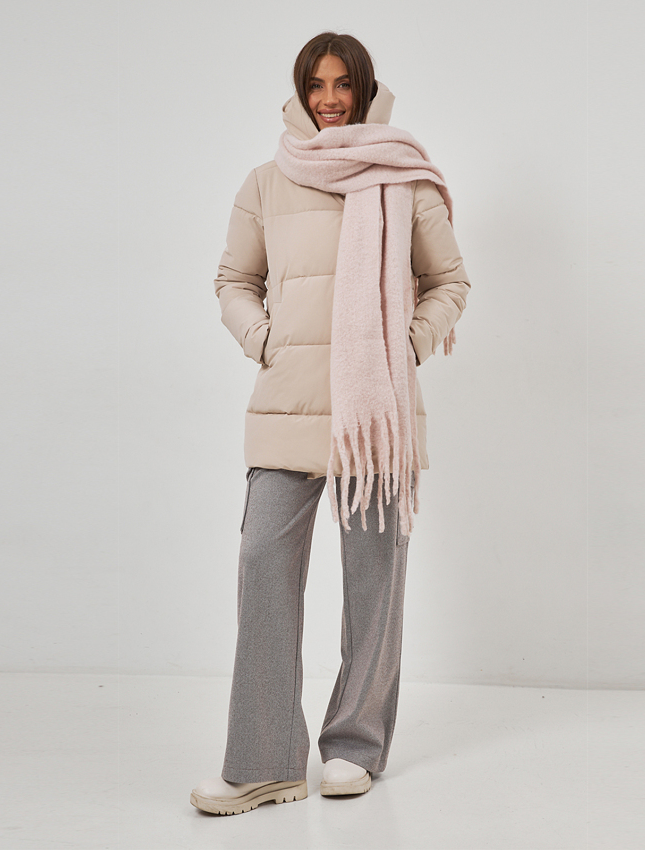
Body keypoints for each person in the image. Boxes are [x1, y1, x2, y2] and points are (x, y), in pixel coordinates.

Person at [190, 32, 470, 816]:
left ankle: (354, 747)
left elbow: (449, 281)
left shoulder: (402, 176)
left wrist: (404, 348)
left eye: (343, 84)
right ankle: (264, 760)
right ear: (300, 90)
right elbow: (234, 279)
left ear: (364, 88)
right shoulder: (266, 180)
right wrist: (264, 339)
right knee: (262, 567)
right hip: (290, 404)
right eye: (316, 84)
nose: (329, 99)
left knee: (373, 584)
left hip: (376, 417)